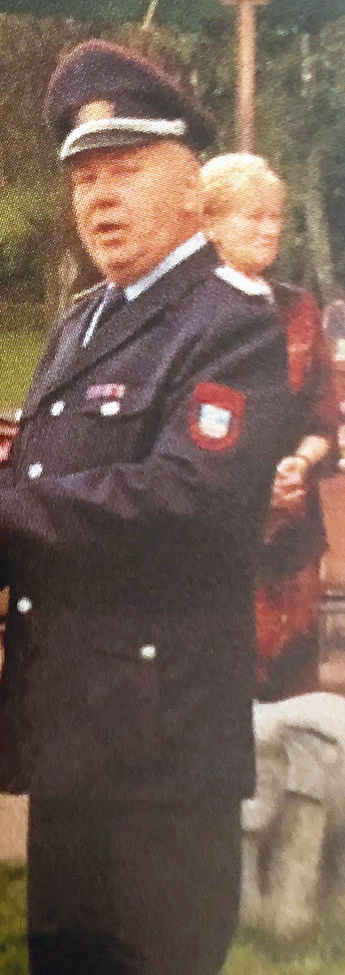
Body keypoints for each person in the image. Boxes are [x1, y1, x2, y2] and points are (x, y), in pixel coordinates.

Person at [0, 40, 295, 975]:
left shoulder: (231, 321)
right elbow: (45, 479)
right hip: (74, 740)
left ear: (188, 188)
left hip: (164, 752)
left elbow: (191, 496)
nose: (98, 198)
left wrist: (4, 523)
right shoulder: (83, 320)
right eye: (83, 177)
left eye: (123, 171)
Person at [201, 152, 337, 700]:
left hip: (293, 547)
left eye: (274, 216)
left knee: (294, 707)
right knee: (219, 709)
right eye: (251, 216)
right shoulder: (189, 315)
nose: (269, 228)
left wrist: (298, 463)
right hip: (217, 547)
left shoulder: (300, 310)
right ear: (209, 225)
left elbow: (324, 420)